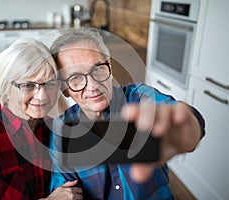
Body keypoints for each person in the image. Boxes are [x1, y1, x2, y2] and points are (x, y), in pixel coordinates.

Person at [48, 28, 205, 199]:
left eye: (98, 69)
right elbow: (64, 190)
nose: (93, 86)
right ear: (65, 89)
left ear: (110, 67)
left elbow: (180, 115)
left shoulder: (139, 96)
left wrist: (188, 125)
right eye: (75, 78)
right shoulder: (62, 130)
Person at [0, 38, 82, 199]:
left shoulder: (54, 129)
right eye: (28, 85)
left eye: (50, 84)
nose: (42, 96)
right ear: (5, 88)